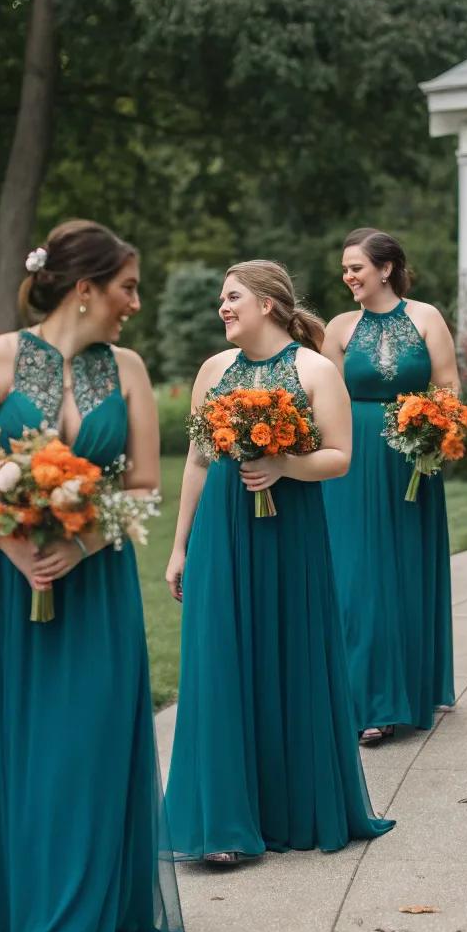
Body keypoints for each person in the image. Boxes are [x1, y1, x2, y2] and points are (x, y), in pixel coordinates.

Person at [0, 219, 185, 932]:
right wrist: (15, 542)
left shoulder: (129, 370)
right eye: (127, 288)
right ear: (84, 288)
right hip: (4, 585)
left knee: (84, 756)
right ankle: (16, 920)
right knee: (17, 754)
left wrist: (81, 543)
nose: (133, 304)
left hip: (94, 587)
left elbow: (142, 483)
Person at [163, 259, 393, 861]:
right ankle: (224, 826)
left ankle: (290, 809)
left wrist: (283, 465)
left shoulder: (316, 369)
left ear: (268, 303)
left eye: (232, 296)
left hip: (290, 535)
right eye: (222, 298)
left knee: (285, 656)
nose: (223, 308)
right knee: (221, 660)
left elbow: (340, 456)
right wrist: (180, 545)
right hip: (222, 528)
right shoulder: (213, 371)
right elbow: (195, 462)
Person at [322, 228, 457, 742]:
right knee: (356, 578)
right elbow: (324, 397)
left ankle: (408, 687)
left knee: (401, 572)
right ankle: (365, 699)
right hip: (351, 464)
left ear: (386, 267)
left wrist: (433, 433)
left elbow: (447, 387)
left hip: (409, 461)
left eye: (356, 266)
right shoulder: (338, 328)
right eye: (345, 268)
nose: (348, 276)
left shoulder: (426, 318)